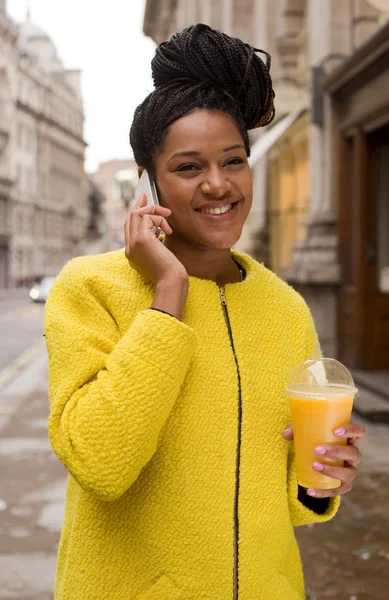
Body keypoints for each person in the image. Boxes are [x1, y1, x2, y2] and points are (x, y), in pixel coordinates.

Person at [45, 24, 366, 600]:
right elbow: (99, 461)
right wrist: (167, 296)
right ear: (149, 180)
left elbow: (290, 503)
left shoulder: (284, 307)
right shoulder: (90, 289)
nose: (219, 185)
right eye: (189, 167)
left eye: (234, 161)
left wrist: (322, 484)